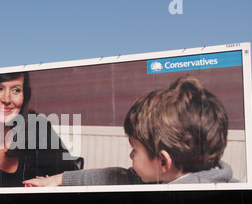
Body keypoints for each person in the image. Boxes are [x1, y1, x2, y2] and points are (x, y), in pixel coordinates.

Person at [23, 76, 237, 187]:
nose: (130, 155)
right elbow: (119, 177)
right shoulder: (169, 176)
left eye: (135, 149)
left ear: (163, 161)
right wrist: (57, 180)